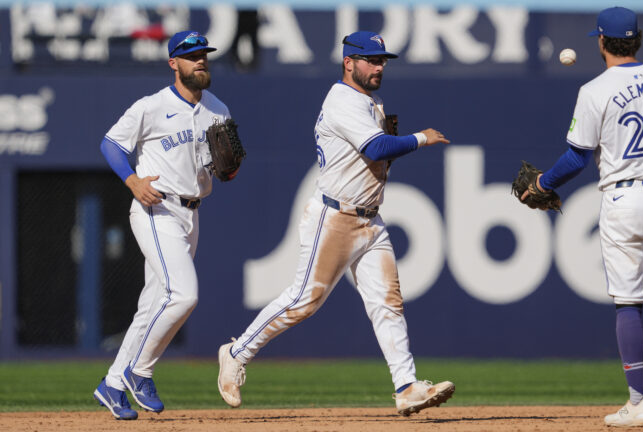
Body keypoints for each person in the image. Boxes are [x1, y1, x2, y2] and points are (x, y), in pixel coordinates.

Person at [217, 30, 454, 416]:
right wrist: (420, 138)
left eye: (382, 61)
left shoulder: (370, 100)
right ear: (349, 62)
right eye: (372, 60)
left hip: (370, 222)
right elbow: (376, 147)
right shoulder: (342, 99)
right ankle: (236, 352)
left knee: (388, 304)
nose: (379, 67)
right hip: (335, 218)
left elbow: (376, 157)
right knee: (303, 301)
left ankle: (407, 386)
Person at [521, 7, 643, 428]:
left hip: (622, 200)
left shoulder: (595, 89)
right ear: (638, 39)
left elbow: (577, 156)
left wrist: (544, 184)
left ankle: (639, 403)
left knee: (629, 302)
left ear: (602, 42)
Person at [93, 30, 233, 420]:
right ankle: (140, 371)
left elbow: (223, 167)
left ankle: (113, 385)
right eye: (191, 55)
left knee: (154, 304)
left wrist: (229, 169)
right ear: (173, 63)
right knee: (184, 295)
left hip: (192, 213)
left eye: (203, 53)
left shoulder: (218, 110)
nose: (200, 60)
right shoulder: (152, 107)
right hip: (157, 209)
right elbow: (111, 144)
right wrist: (132, 181)